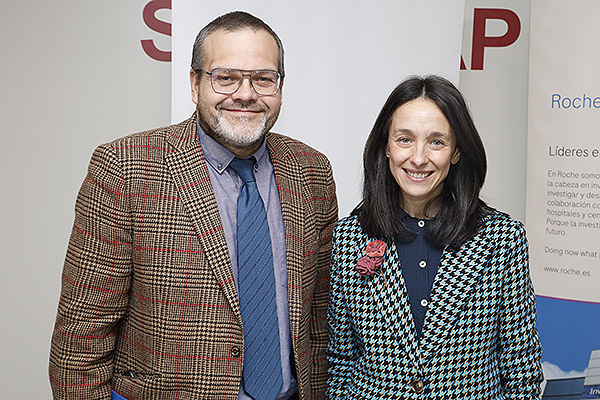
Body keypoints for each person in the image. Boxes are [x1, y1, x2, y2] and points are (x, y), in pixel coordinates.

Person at [49, 11, 337, 400]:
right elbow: (81, 339)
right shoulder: (125, 168)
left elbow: (319, 322)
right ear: (194, 82)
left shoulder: (312, 170)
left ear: (280, 87)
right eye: (226, 77)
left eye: (263, 79)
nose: (246, 93)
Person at [326, 75, 543, 399]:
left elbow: (521, 371)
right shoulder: (348, 238)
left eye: (437, 142)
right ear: (386, 146)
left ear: (456, 151)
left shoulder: (502, 240)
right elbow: (340, 365)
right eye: (405, 139)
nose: (418, 157)